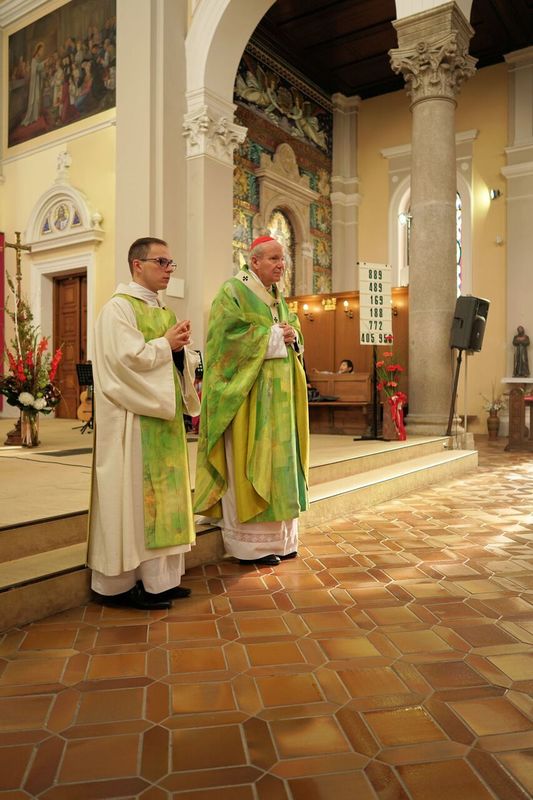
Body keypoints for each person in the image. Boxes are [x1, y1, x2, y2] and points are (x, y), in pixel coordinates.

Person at [87, 237, 200, 609]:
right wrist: (167, 345)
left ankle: (160, 581)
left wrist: (183, 353)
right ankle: (122, 585)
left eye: (171, 263)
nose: (169, 269)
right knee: (135, 502)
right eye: (161, 261)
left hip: (162, 422)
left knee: (165, 501)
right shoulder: (117, 309)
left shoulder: (164, 310)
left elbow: (172, 358)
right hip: (133, 421)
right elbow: (124, 361)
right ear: (137, 265)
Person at [194, 235, 309, 567]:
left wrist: (294, 335)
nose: (281, 265)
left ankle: (283, 540)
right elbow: (224, 340)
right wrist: (272, 335)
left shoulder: (277, 297)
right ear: (254, 261)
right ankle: (249, 546)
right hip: (247, 400)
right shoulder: (232, 291)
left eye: (282, 259)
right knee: (250, 465)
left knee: (280, 468)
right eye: (273, 259)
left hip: (280, 403)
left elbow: (292, 329)